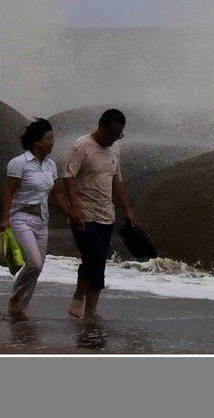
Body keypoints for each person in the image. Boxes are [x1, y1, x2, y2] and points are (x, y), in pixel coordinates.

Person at [0, 118, 79, 321]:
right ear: (36, 141)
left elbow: (57, 194)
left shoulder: (51, 165)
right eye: (48, 139)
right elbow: (8, 192)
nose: (53, 142)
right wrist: (4, 219)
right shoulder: (19, 163)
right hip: (21, 218)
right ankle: (14, 303)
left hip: (42, 221)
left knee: (39, 267)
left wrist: (70, 212)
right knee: (33, 263)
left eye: (53, 138)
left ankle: (20, 311)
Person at [63, 108, 136, 319]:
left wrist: (127, 211)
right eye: (112, 133)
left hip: (106, 213)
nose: (114, 138)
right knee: (93, 255)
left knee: (100, 261)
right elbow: (68, 176)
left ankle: (91, 311)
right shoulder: (82, 145)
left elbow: (117, 180)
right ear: (101, 125)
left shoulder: (115, 149)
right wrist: (73, 207)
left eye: (119, 134)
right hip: (84, 211)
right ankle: (78, 297)